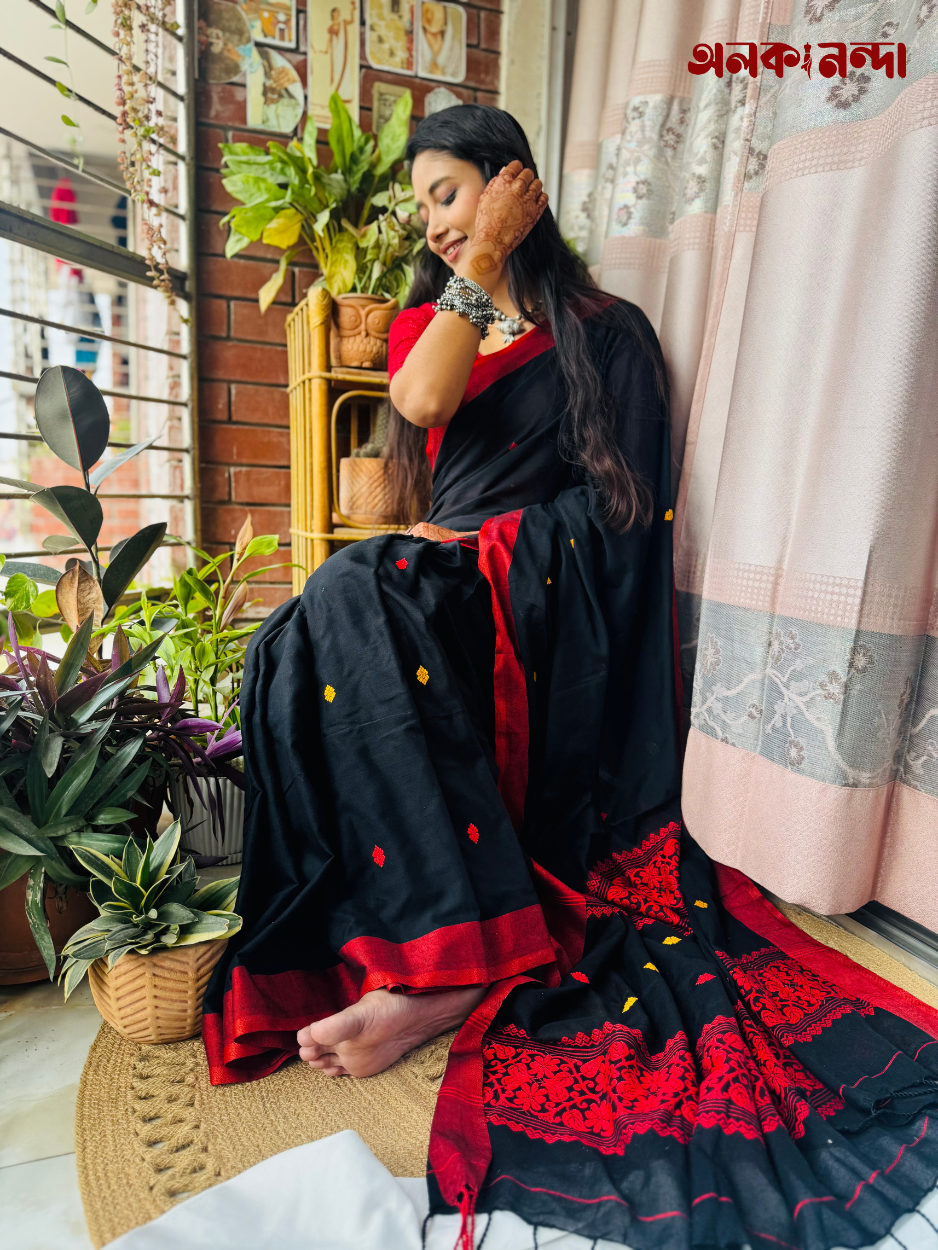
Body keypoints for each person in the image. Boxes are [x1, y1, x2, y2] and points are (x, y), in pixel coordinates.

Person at [203, 106, 938, 1248]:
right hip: (435, 583)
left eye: (449, 194)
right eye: (423, 204)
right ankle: (433, 943)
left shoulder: (607, 333)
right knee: (293, 636)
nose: (433, 223)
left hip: (532, 600)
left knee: (351, 587)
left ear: (514, 186)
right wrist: (475, 274)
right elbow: (421, 405)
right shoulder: (425, 324)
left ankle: (449, 966)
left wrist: (492, 550)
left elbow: (623, 518)